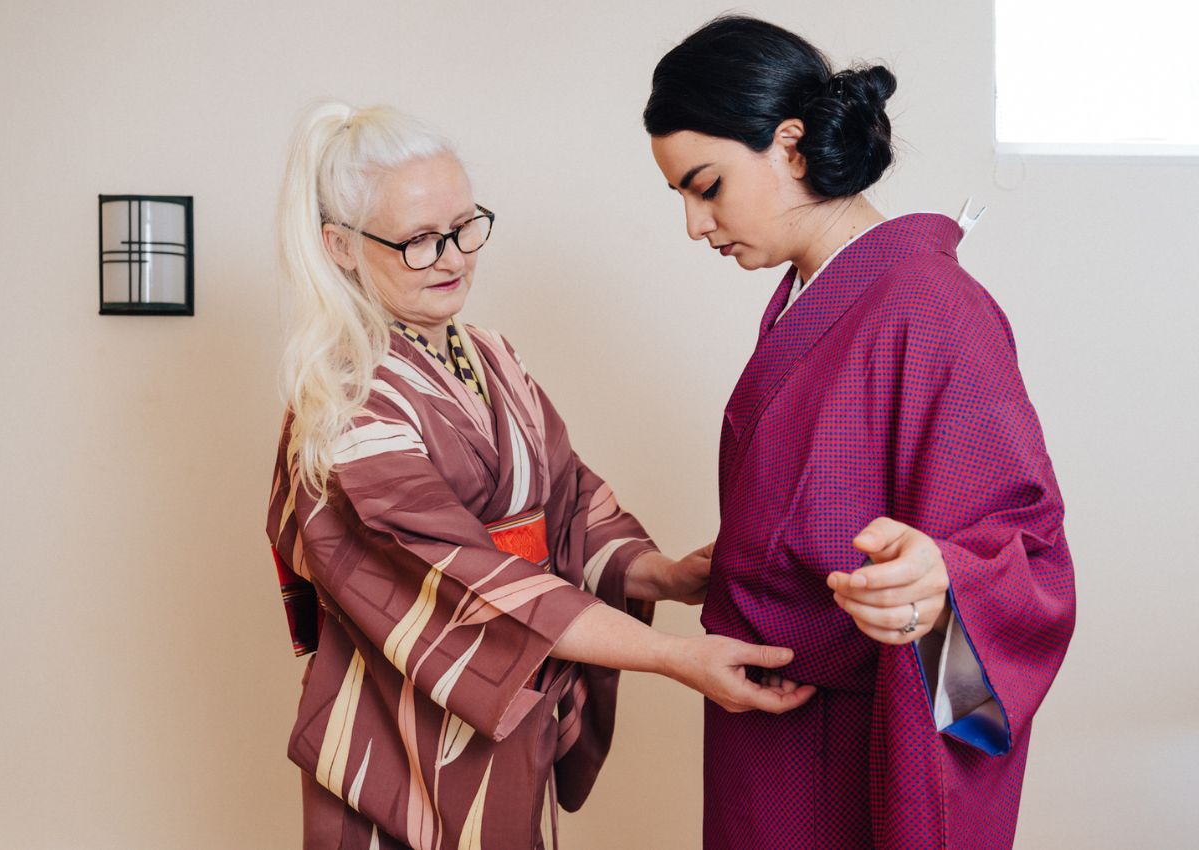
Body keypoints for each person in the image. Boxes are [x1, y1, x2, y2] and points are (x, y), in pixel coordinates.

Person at [266, 99, 937, 850]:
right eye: (421, 241)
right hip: (398, 731)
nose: (455, 257)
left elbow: (569, 499)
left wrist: (664, 575)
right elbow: (469, 578)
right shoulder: (347, 405)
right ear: (342, 246)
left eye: (465, 227)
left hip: (507, 711)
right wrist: (678, 658)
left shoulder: (488, 354)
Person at [643, 15, 1076, 850]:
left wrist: (941, 574)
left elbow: (1025, 544)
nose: (696, 226)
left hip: (854, 733)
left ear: (792, 145)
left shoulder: (930, 305)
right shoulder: (817, 294)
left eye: (707, 186)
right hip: (767, 716)